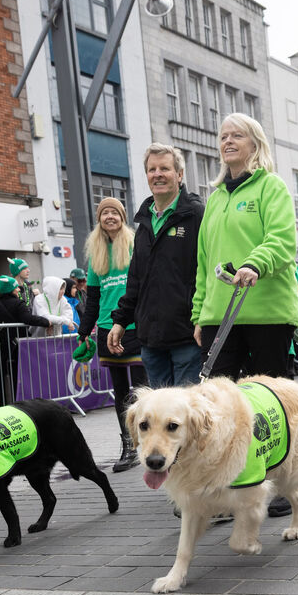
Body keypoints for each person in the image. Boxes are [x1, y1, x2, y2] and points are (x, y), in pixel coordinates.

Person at [192, 112, 298, 517]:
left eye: (237, 135)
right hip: (224, 315)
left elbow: (281, 239)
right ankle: (230, 483)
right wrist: (201, 314)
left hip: (267, 313)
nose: (228, 141)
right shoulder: (215, 197)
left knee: (272, 402)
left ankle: (284, 484)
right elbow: (204, 263)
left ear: (254, 143)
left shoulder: (271, 187)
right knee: (220, 404)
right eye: (223, 136)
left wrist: (255, 263)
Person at [110, 143, 204, 388]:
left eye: (165, 168)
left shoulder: (196, 215)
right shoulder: (144, 222)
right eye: (152, 170)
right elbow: (136, 279)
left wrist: (204, 318)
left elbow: (206, 272)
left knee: (187, 416)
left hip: (188, 337)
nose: (158, 174)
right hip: (151, 340)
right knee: (159, 418)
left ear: (180, 175)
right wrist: (120, 321)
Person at [77, 197, 147, 473]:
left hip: (134, 326)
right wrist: (84, 331)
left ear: (122, 217)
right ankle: (128, 445)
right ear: (99, 219)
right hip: (107, 330)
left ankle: (151, 442)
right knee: (120, 393)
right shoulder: (96, 253)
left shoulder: (133, 243)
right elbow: (92, 299)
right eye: (104, 213)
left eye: (114, 212)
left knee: (143, 391)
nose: (109, 216)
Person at [0, 274, 50, 404]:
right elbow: (28, 319)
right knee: (21, 375)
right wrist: (47, 321)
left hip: (2, 346)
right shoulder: (18, 304)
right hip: (19, 346)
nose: (18, 289)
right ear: (11, 289)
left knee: (2, 376)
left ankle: (5, 404)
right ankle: (22, 403)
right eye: (16, 287)